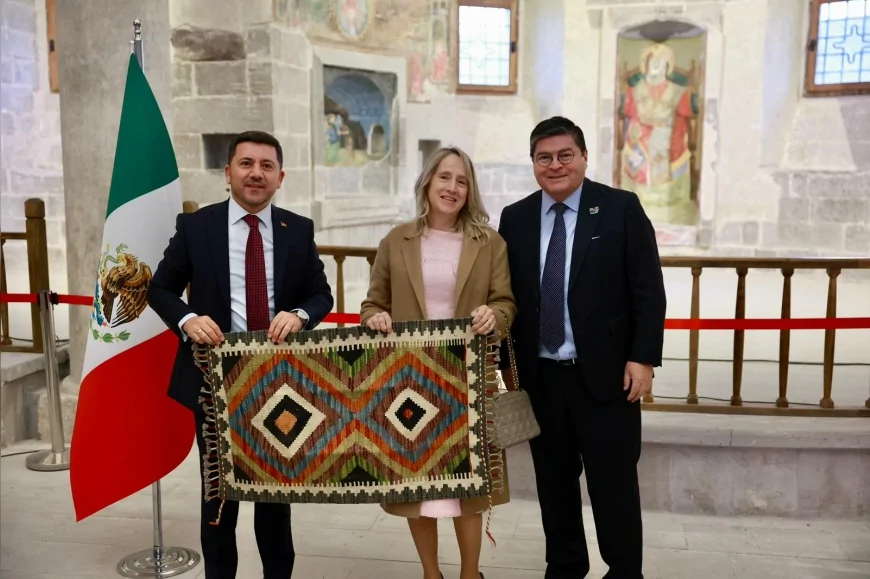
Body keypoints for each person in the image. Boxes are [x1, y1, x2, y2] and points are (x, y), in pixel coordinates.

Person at [147, 130, 334, 579]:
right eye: (246, 164)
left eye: (267, 166)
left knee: (275, 500)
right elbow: (160, 289)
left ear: (280, 177)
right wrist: (188, 320)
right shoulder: (196, 227)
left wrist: (300, 315)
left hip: (279, 384)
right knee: (219, 501)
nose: (256, 173)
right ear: (227, 172)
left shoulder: (297, 230)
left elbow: (321, 295)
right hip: (214, 385)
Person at [497, 117, 666, 579]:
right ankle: (566, 566)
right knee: (554, 485)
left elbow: (648, 290)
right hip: (542, 379)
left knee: (614, 484)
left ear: (584, 157)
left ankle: (625, 571)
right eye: (544, 157)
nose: (555, 165)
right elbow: (506, 296)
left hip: (608, 378)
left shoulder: (620, 208)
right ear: (534, 163)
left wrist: (643, 358)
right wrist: (507, 366)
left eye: (565, 155)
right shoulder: (515, 218)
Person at [360, 146, 516, 579]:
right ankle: (431, 573)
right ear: (427, 182)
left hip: (467, 382)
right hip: (408, 382)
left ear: (470, 190)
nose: (452, 188)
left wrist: (494, 315)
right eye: (444, 177)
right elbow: (372, 304)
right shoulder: (396, 240)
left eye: (462, 181)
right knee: (418, 486)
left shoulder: (490, 243)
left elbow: (506, 303)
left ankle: (470, 574)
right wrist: (375, 318)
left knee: (469, 487)